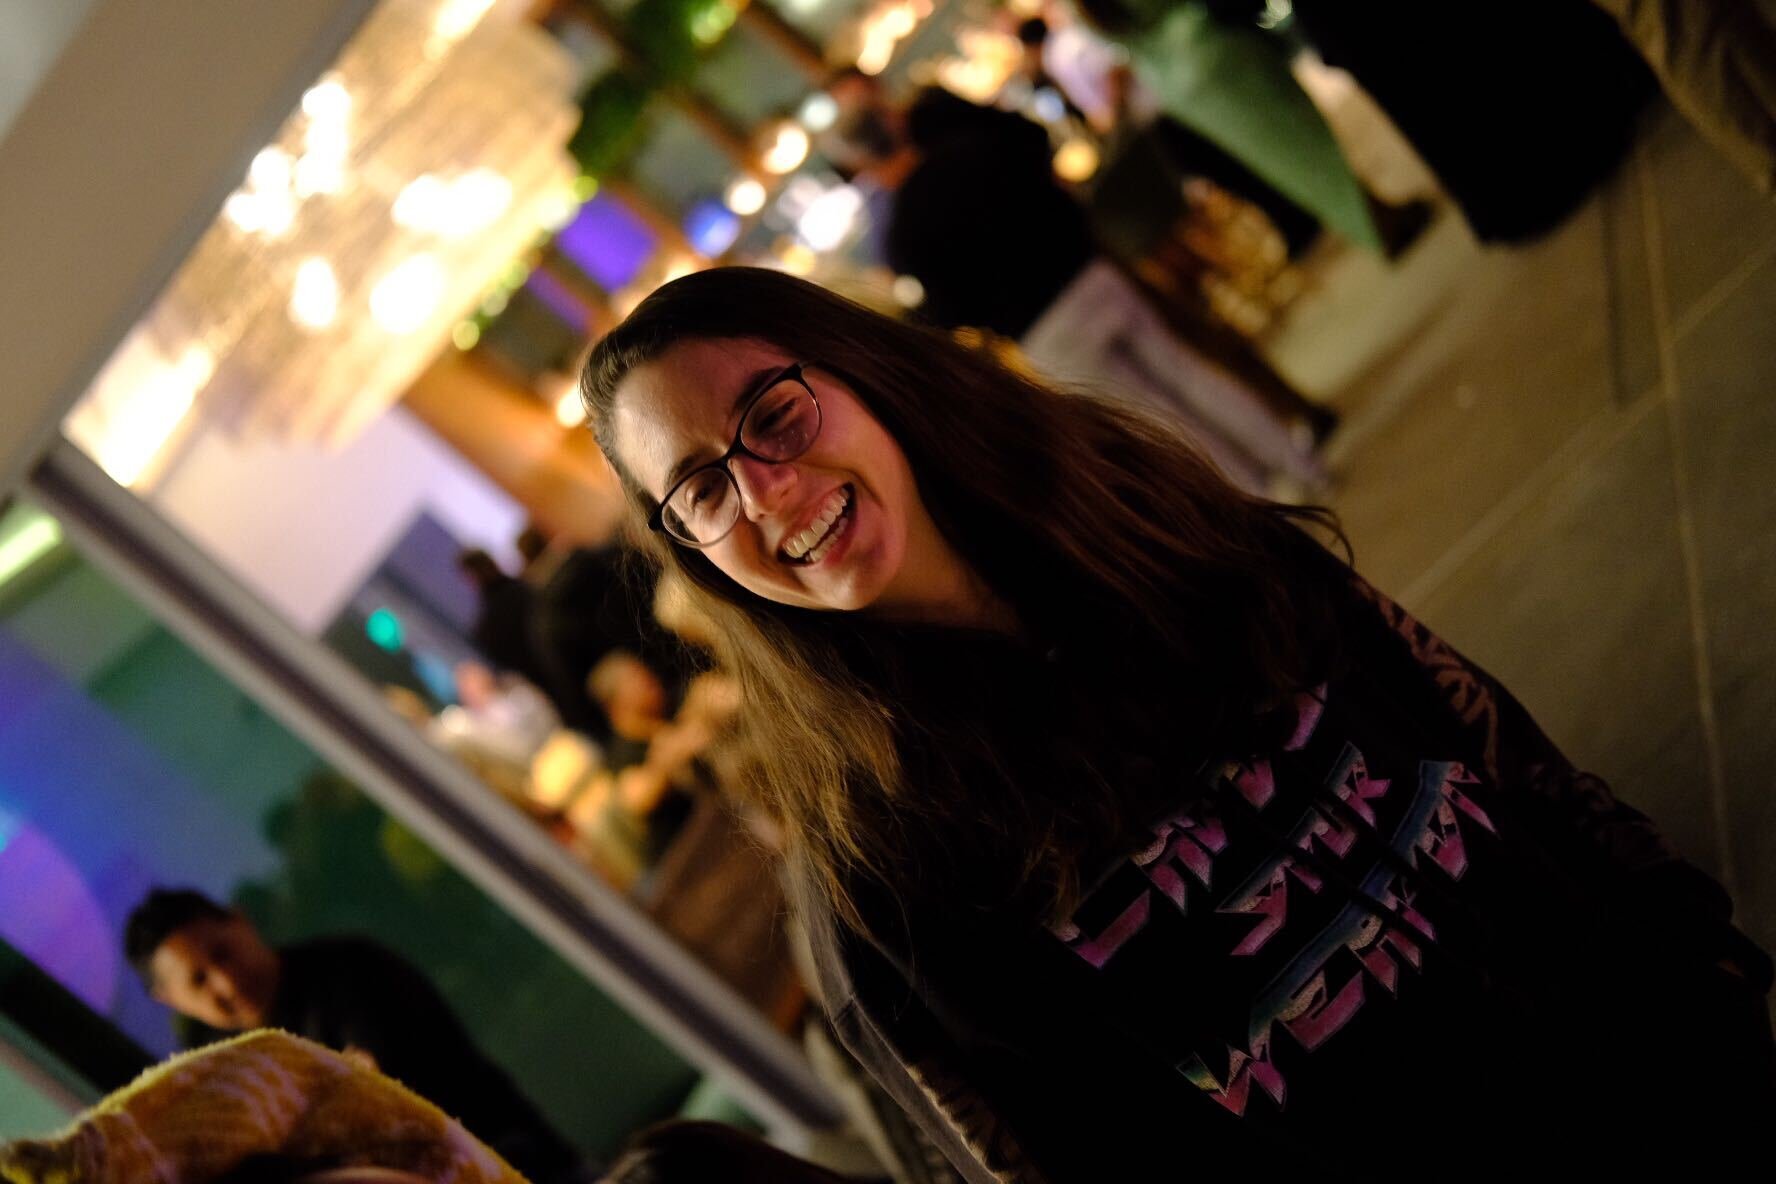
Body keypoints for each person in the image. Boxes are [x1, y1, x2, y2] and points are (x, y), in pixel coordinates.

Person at [578, 267, 1774, 1177]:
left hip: (1660, 1048)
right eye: (701, 489)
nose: (764, 491)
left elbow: (1459, 717)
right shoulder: (879, 880)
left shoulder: (1132, 509)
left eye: (774, 415)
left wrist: (1681, 926)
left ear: (861, 370)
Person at [828, 81, 1328, 494]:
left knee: (1154, 419)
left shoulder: (904, 236)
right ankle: (1300, 465)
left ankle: (1253, 498)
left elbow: (951, 313)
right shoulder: (973, 148)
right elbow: (1043, 167)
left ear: (863, 163)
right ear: (894, 122)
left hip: (1044, 331)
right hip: (1086, 275)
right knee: (1190, 373)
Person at [123, 889, 582, 1182]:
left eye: (223, 952)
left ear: (241, 922)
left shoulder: (349, 971)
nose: (225, 981)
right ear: (171, 1001)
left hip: (517, 1160)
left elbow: (395, 1101)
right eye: (199, 980)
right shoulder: (226, 1078)